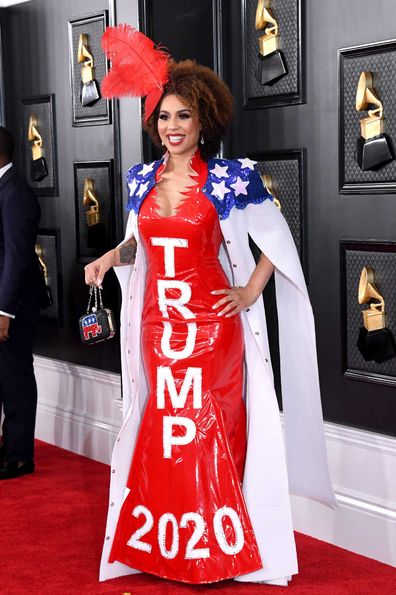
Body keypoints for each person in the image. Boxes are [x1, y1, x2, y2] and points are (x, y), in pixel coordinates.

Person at [85, 25, 336, 586]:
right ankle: (167, 547)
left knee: (213, 427)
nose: (172, 128)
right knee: (165, 427)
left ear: (205, 122)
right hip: (161, 328)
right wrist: (109, 259)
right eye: (164, 117)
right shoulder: (141, 180)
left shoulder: (230, 179)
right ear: (154, 124)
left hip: (212, 329)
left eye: (183, 117)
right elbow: (139, 243)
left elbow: (277, 241)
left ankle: (219, 548)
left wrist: (249, 291)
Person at [0, 126, 42, 480]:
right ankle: (9, 445)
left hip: (12, 305)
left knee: (14, 378)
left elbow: (16, 256)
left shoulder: (14, 193)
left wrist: (4, 311)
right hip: (3, 300)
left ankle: (19, 456)